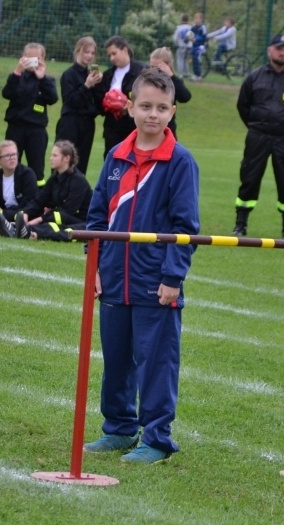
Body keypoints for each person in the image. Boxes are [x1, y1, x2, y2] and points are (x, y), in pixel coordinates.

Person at [83, 68, 200, 464]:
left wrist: (173, 277)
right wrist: (95, 265)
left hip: (156, 283)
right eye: (146, 106)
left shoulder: (180, 162)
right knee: (116, 359)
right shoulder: (115, 157)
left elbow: (186, 228)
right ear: (130, 107)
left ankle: (157, 438)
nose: (153, 114)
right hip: (114, 277)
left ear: (172, 112)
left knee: (156, 362)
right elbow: (97, 218)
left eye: (162, 108)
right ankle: (118, 428)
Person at [231, 34, 284, 239]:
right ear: (269, 50)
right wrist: (257, 125)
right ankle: (241, 224)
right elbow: (243, 105)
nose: (282, 52)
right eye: (279, 48)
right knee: (249, 178)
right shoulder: (255, 77)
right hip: (258, 137)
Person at [0, 140, 91, 242]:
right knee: (50, 219)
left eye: (54, 156)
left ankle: (20, 229)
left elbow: (68, 211)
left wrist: (39, 219)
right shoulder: (55, 178)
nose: (50, 158)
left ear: (66, 158)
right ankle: (15, 228)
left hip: (82, 221)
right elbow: (39, 200)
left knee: (55, 222)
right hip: (64, 217)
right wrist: (26, 213)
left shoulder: (78, 180)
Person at [2, 42, 59, 188]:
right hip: (16, 127)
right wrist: (17, 72)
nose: (33, 62)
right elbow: (7, 93)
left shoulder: (47, 80)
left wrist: (42, 78)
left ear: (43, 59)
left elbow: (53, 98)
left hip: (36, 130)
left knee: (37, 168)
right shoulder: (17, 77)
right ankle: (10, 197)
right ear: (23, 58)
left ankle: (37, 201)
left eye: (37, 58)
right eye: (29, 58)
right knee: (11, 165)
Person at [54, 36, 103, 176]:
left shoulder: (91, 74)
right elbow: (70, 101)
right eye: (86, 52)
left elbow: (98, 103)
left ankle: (77, 195)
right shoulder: (69, 74)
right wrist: (86, 86)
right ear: (78, 51)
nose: (89, 56)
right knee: (64, 160)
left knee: (81, 163)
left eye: (92, 53)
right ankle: (57, 194)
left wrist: (99, 86)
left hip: (87, 123)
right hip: (70, 122)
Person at [95, 36, 145, 159]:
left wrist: (127, 107)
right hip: (112, 128)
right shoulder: (107, 75)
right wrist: (107, 103)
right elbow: (99, 104)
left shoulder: (142, 71)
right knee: (112, 163)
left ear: (125, 50)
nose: (112, 58)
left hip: (134, 127)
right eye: (109, 55)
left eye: (114, 53)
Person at [0, 139, 38, 226]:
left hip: (23, 211)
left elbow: (28, 203)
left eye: (14, 154)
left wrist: (2, 212)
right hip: (6, 211)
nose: (12, 158)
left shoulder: (27, 174)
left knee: (18, 215)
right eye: (7, 156)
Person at [149, 47, 191, 139]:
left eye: (158, 68)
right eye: (152, 67)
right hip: (148, 128)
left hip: (167, 130)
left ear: (168, 66)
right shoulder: (146, 81)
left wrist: (171, 76)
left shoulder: (174, 82)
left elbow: (185, 97)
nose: (154, 71)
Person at [189, 12, 208, 81]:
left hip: (201, 46)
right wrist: (190, 38)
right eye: (195, 18)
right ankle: (195, 75)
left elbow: (205, 38)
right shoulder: (193, 27)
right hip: (194, 46)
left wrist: (196, 39)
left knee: (196, 59)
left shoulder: (203, 27)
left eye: (198, 18)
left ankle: (199, 75)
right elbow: (190, 35)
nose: (196, 20)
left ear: (201, 19)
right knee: (193, 60)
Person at [172, 14, 192, 78]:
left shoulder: (179, 28)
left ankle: (180, 73)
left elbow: (175, 38)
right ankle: (186, 73)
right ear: (188, 20)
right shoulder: (190, 27)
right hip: (189, 46)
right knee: (186, 60)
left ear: (181, 20)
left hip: (181, 46)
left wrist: (176, 43)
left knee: (180, 60)